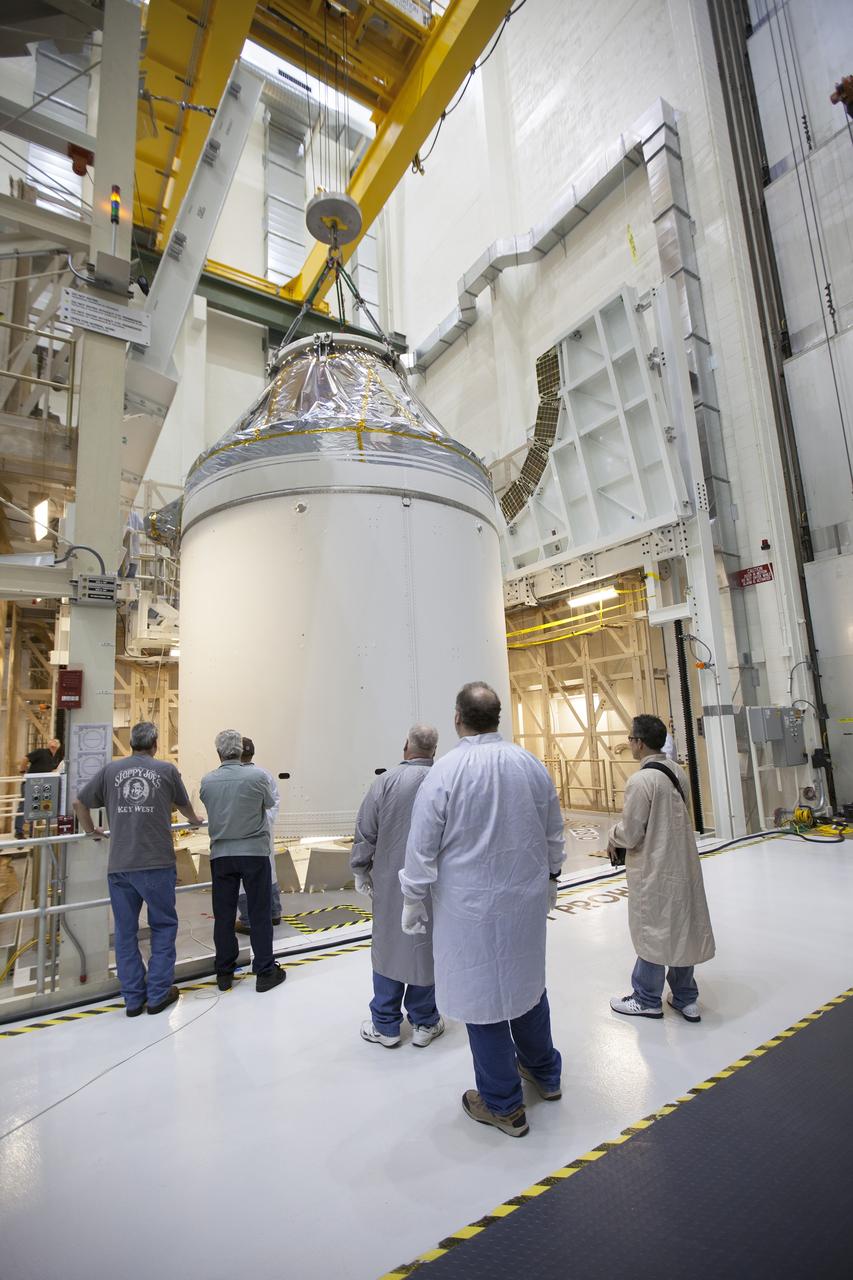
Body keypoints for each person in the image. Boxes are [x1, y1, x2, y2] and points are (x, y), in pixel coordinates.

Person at [400, 682, 565, 1138]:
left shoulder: (446, 772)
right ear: (499, 718)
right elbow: (554, 830)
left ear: (458, 718)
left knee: (483, 1000)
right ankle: (546, 1075)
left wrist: (413, 898)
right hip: (525, 903)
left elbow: (422, 844)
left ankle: (503, 1105)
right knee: (527, 985)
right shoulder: (529, 764)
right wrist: (553, 878)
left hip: (468, 910)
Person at [72, 721, 203, 1017]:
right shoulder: (167, 770)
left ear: (131, 743)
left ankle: (132, 999)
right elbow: (184, 806)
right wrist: (195, 819)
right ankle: (157, 994)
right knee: (164, 926)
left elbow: (79, 802)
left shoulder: (110, 771)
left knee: (125, 932)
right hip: (157, 863)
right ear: (155, 744)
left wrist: (92, 830)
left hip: (120, 866)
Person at [608, 714, 715, 1023]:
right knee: (681, 927)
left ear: (638, 743)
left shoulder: (641, 780)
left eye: (630, 739)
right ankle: (686, 998)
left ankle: (646, 998)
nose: (629, 743)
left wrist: (611, 836)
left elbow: (631, 832)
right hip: (681, 863)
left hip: (654, 866)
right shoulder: (676, 771)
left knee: (652, 929)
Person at [351, 724, 444, 1049]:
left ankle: (386, 1024)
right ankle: (424, 1022)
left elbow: (366, 831)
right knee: (425, 948)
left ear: (406, 746)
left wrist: (360, 869)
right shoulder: (445, 780)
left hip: (391, 882)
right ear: (434, 749)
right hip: (436, 884)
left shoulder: (386, 782)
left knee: (389, 945)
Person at [199, 729, 285, 994]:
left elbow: (206, 803)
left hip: (222, 855)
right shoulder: (258, 776)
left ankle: (224, 973)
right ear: (241, 751)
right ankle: (264, 971)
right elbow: (269, 803)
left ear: (218, 752)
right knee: (259, 913)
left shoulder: (207, 781)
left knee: (223, 916)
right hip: (253, 853)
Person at [236, 737, 282, 934]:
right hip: (264, 833)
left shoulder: (232, 776)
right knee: (268, 871)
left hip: (241, 836)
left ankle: (247, 919)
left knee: (243, 880)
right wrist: (264, 821)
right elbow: (275, 802)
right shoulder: (264, 774)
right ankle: (274, 912)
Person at [15, 737, 63, 837]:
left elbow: (54, 770)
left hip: (42, 785)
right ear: (49, 743)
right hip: (30, 782)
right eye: (52, 741)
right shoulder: (41, 752)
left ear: (58, 746)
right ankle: (19, 831)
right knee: (24, 806)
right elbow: (25, 758)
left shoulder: (55, 758)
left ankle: (32, 833)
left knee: (36, 808)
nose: (54, 743)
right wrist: (22, 771)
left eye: (56, 742)